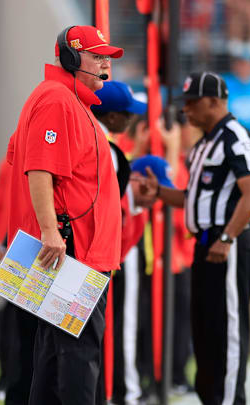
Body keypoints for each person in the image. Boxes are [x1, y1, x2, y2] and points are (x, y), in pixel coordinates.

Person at [6, 25, 123, 405]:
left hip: (71, 248)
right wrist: (49, 231)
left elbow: (20, 157)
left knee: (55, 355)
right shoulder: (58, 100)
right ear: (71, 58)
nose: (105, 65)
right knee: (76, 357)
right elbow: (38, 168)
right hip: (70, 250)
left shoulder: (67, 100)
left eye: (107, 57)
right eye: (97, 57)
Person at [139, 71, 250, 405]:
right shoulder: (204, 143)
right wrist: (159, 192)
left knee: (229, 331)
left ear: (214, 102)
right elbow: (193, 198)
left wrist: (227, 237)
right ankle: (210, 398)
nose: (187, 111)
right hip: (206, 243)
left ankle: (230, 400)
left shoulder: (235, 136)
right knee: (204, 329)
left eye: (192, 103)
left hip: (229, 245)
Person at [91, 80, 149, 405]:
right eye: (127, 114)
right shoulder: (105, 147)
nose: (131, 120)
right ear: (112, 117)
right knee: (113, 328)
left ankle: (120, 390)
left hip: (90, 249)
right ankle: (126, 391)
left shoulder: (100, 140)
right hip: (102, 251)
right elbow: (114, 208)